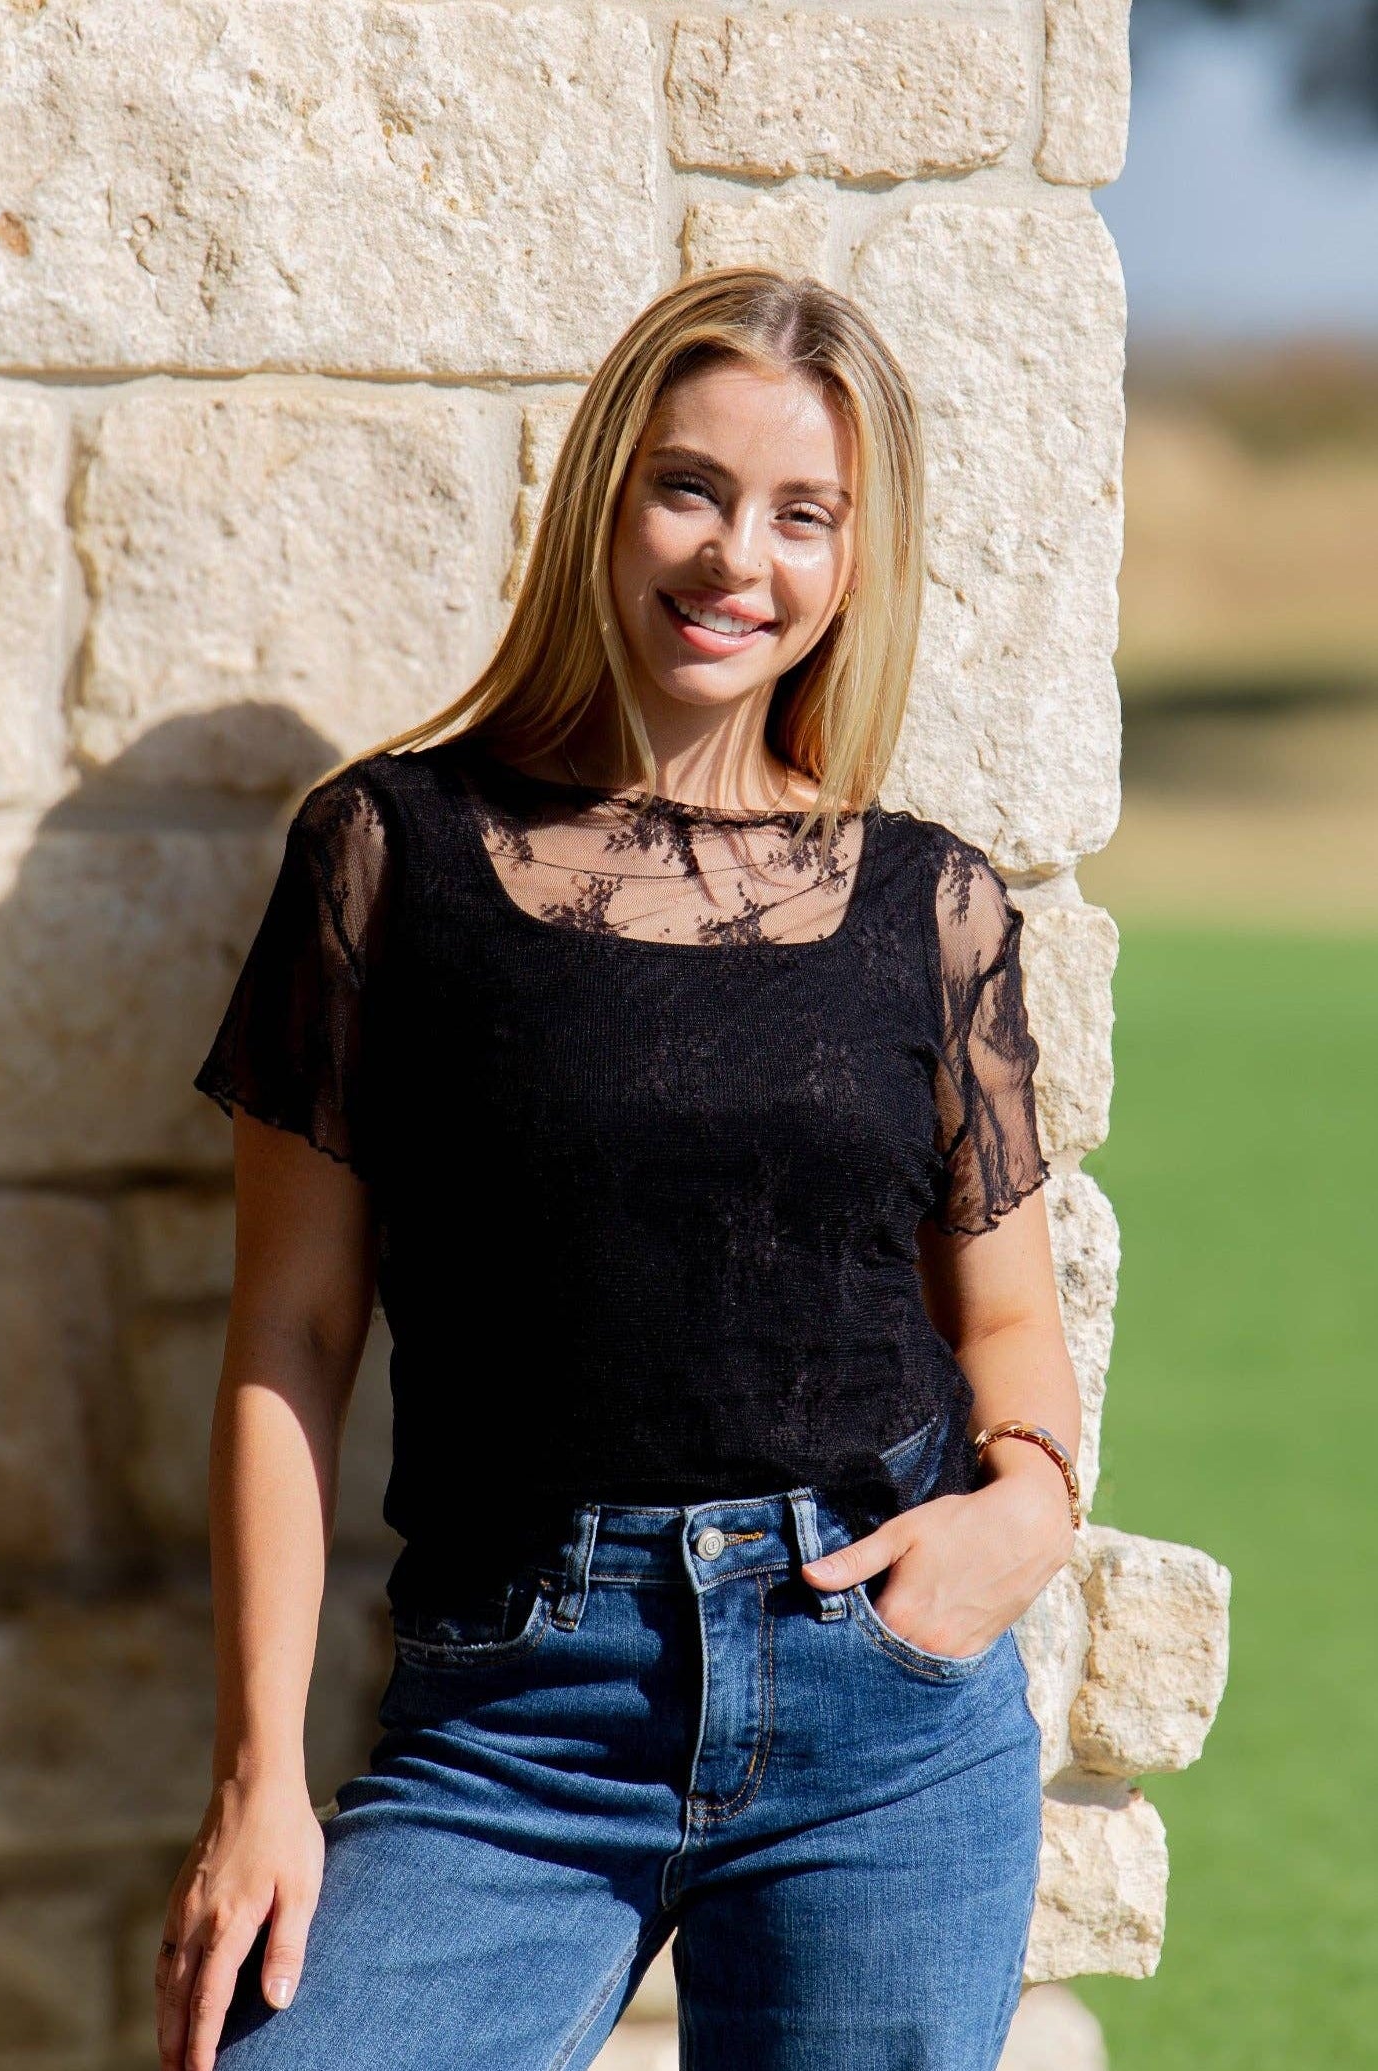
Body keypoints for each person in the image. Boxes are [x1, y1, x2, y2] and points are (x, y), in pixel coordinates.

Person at [159, 266, 1083, 2071]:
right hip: (515, 1719)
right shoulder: (388, 854)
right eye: (691, 489)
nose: (738, 558)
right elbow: (290, 1338)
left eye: (804, 514)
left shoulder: (933, 902)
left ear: (855, 561)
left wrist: (1025, 1517)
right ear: (606, 496)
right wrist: (257, 1781)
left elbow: (1007, 1321)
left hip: (883, 1711)